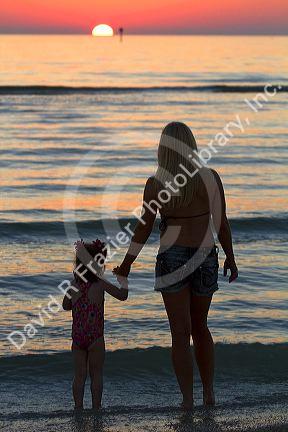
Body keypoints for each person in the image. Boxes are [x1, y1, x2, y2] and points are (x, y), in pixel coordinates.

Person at [113, 122, 238, 409]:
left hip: (172, 260)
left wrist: (126, 264)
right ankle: (209, 393)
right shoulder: (209, 178)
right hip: (205, 256)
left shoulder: (156, 184)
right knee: (201, 327)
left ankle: (187, 400)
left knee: (179, 333)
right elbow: (221, 224)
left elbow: (143, 229)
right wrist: (230, 257)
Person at [63, 238, 128, 410]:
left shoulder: (74, 285)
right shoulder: (100, 284)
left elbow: (65, 306)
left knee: (79, 375)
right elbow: (122, 296)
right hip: (95, 338)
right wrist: (123, 280)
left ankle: (78, 408)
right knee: (96, 374)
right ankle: (96, 408)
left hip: (78, 338)